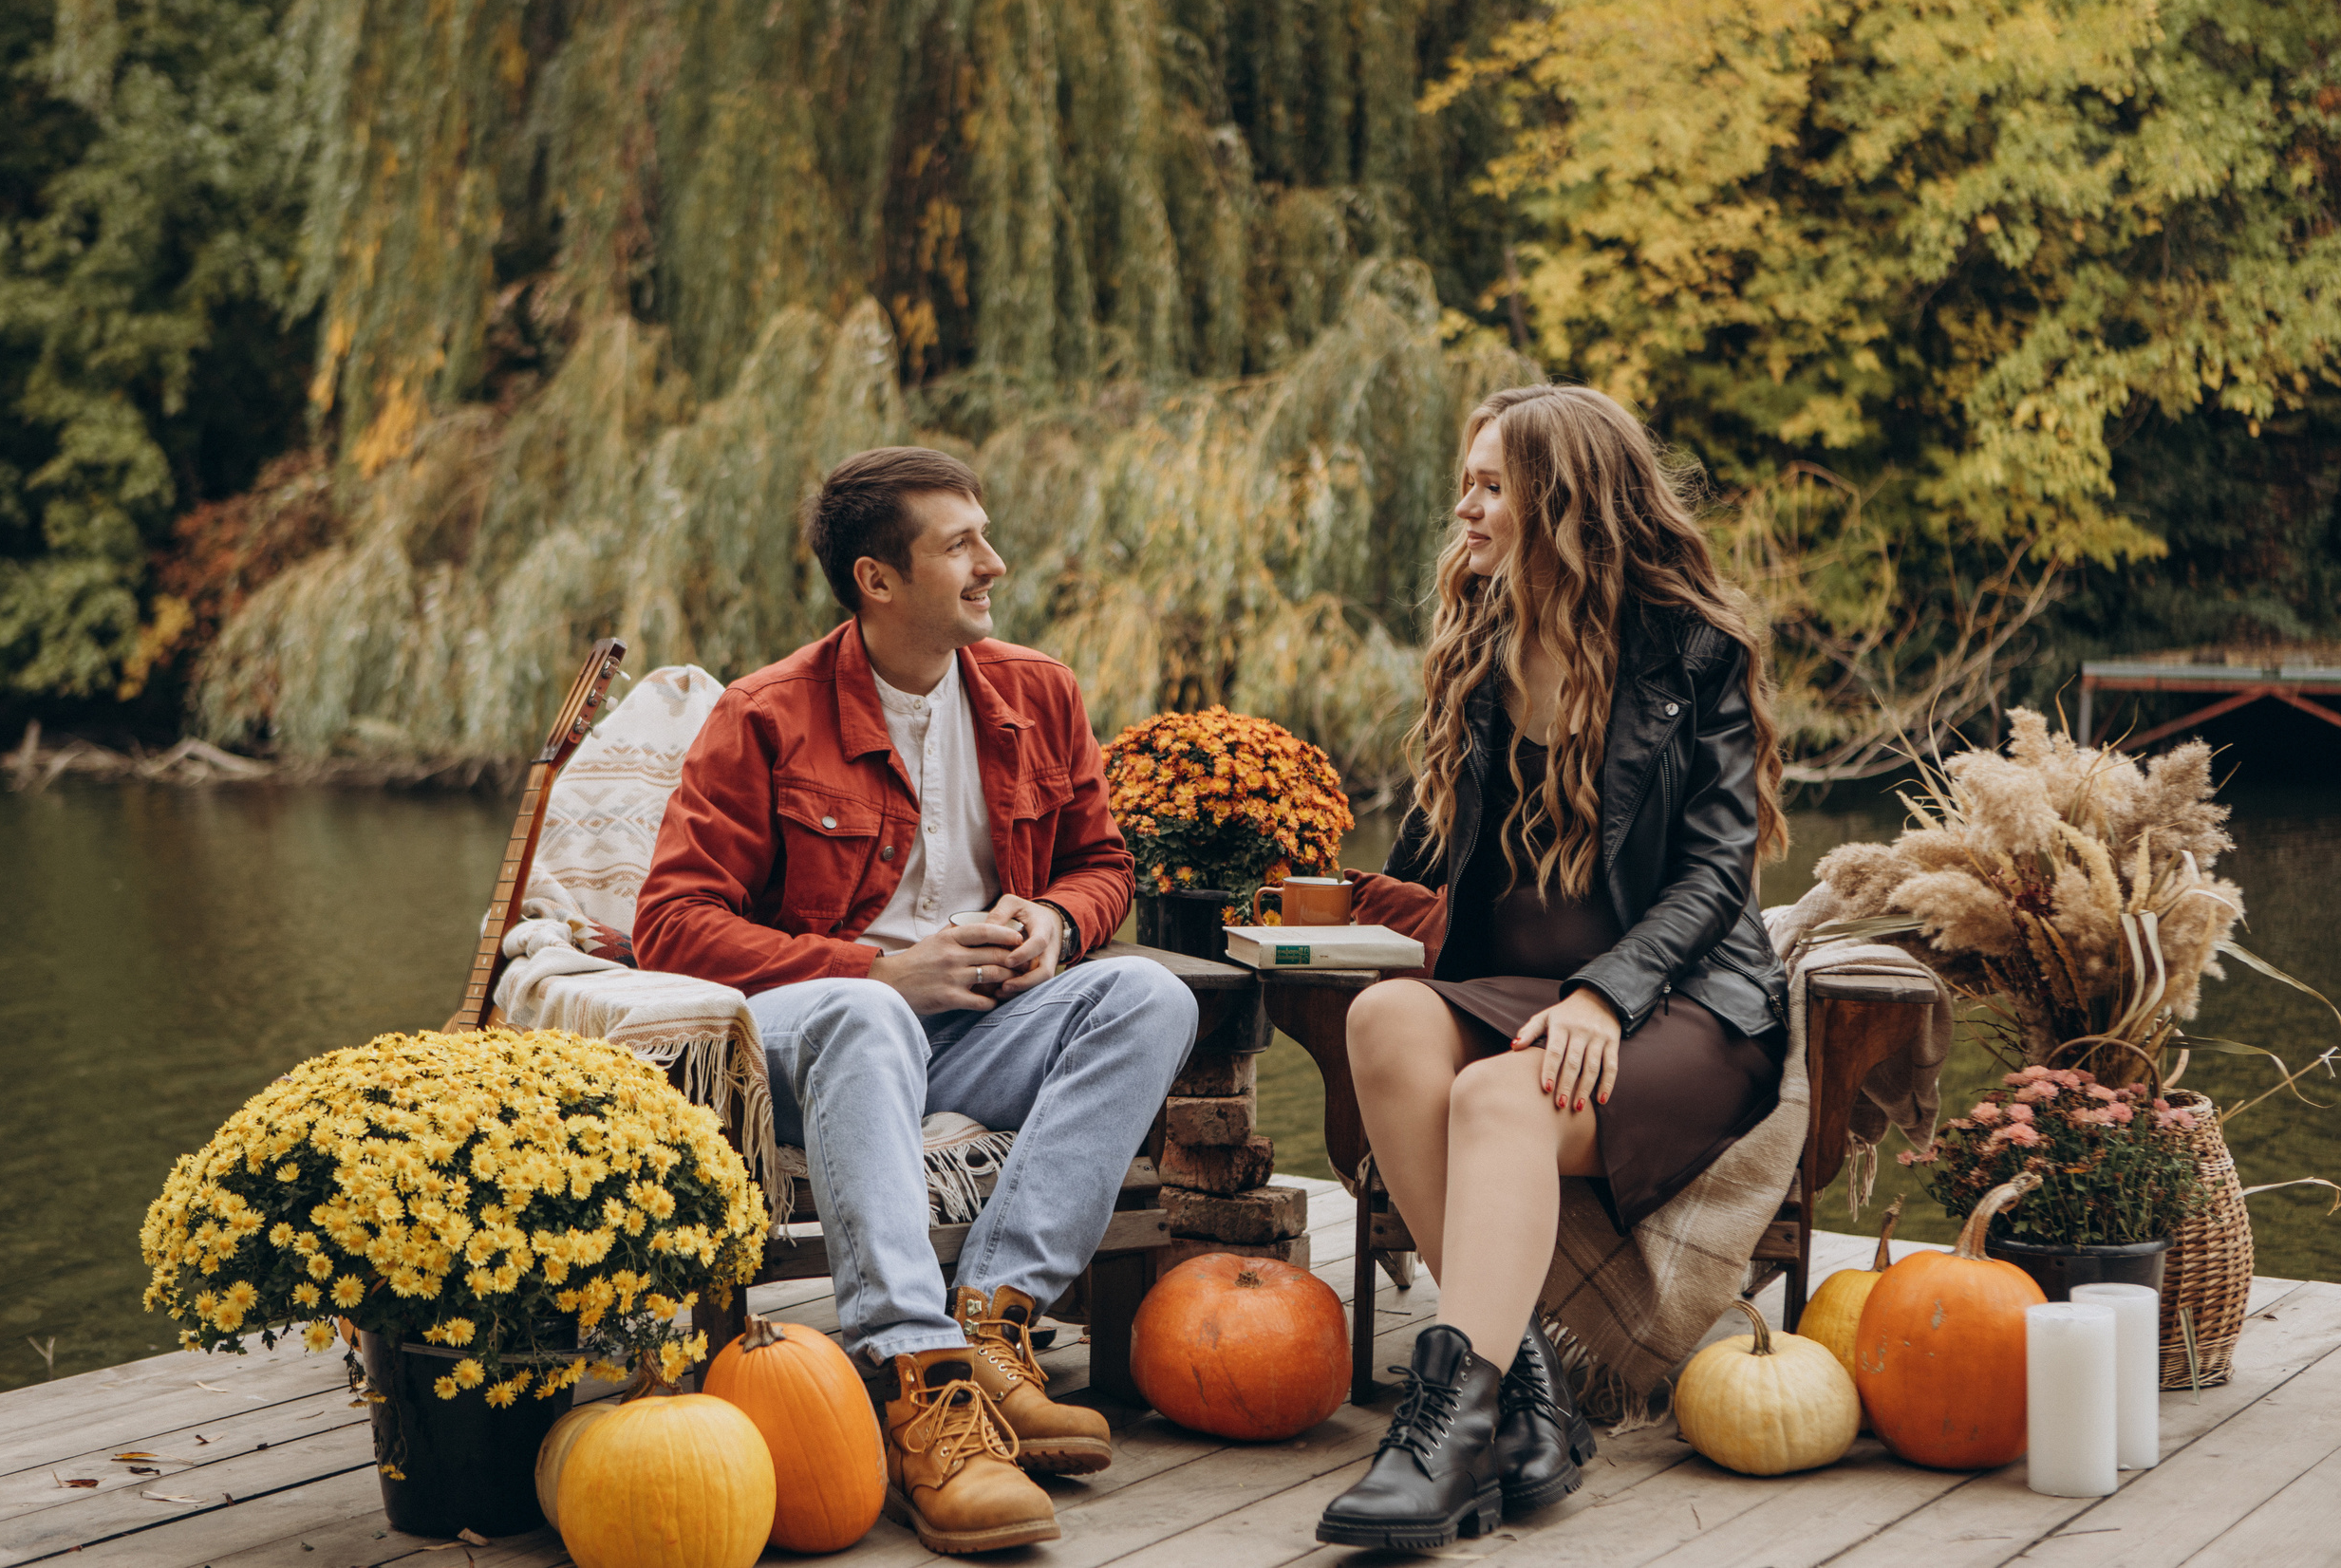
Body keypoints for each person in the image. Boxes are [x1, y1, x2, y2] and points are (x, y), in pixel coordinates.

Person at [635, 445, 1198, 1556]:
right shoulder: (766, 717)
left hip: (980, 1030)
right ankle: (913, 1376)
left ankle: (993, 1321)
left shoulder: (1036, 692)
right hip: (821, 1046)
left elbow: (1105, 863)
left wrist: (1059, 919)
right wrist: (875, 972)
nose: (994, 562)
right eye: (961, 545)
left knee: (1145, 993)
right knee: (868, 1017)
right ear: (875, 581)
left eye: (984, 534)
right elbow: (672, 925)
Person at [1314, 386, 1790, 1550]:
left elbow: (1717, 871)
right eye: (1465, 484)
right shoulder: (1479, 632)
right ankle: (1514, 1390)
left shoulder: (1693, 646)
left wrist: (1607, 994)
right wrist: (1313, 890)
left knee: (1496, 1094)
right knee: (1382, 1021)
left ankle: (1438, 1436)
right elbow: (1449, 857)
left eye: (1490, 486)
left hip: (1684, 1004)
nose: (1465, 509)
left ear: (1563, 500)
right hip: (1516, 990)